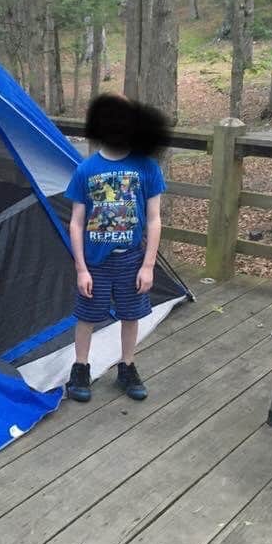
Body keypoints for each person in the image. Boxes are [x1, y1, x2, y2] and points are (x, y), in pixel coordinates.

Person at [63, 94, 167, 401]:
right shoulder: (86, 170)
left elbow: (154, 219)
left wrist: (148, 265)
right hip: (95, 261)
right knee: (87, 315)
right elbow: (76, 222)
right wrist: (81, 268)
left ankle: (127, 366)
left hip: (132, 259)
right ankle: (80, 368)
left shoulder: (147, 167)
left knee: (130, 315)